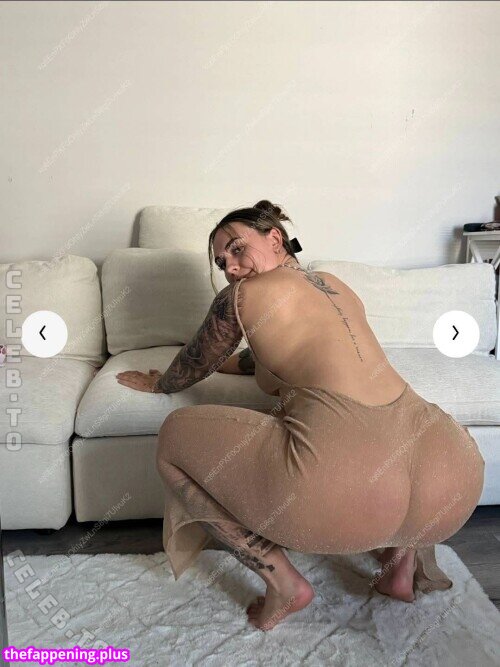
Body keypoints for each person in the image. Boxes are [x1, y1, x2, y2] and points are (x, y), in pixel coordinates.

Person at [116, 200, 485, 631]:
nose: (230, 267)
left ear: (275, 238)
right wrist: (231, 364)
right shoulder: (335, 285)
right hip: (451, 475)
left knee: (173, 438)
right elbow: (269, 357)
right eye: (220, 262)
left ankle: (284, 583)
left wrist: (160, 383)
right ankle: (399, 571)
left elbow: (194, 363)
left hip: (346, 479)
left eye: (237, 249)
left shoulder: (241, 296)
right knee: (395, 448)